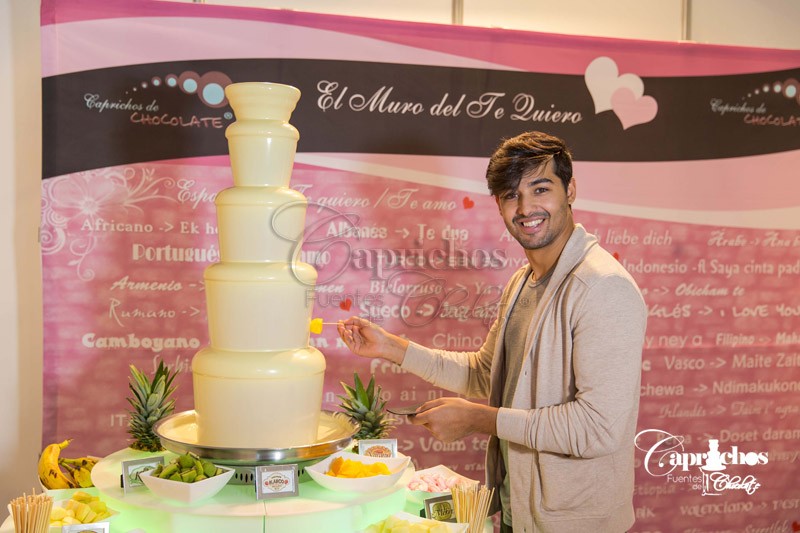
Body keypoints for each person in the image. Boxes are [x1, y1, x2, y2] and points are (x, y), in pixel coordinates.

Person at [338, 131, 647, 532]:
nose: (526, 207)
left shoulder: (602, 286)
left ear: (570, 190)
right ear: (499, 204)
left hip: (574, 522)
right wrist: (391, 347)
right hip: (519, 510)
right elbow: (485, 373)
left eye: (541, 189)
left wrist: (480, 420)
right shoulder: (522, 281)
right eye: (511, 195)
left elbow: (598, 429)